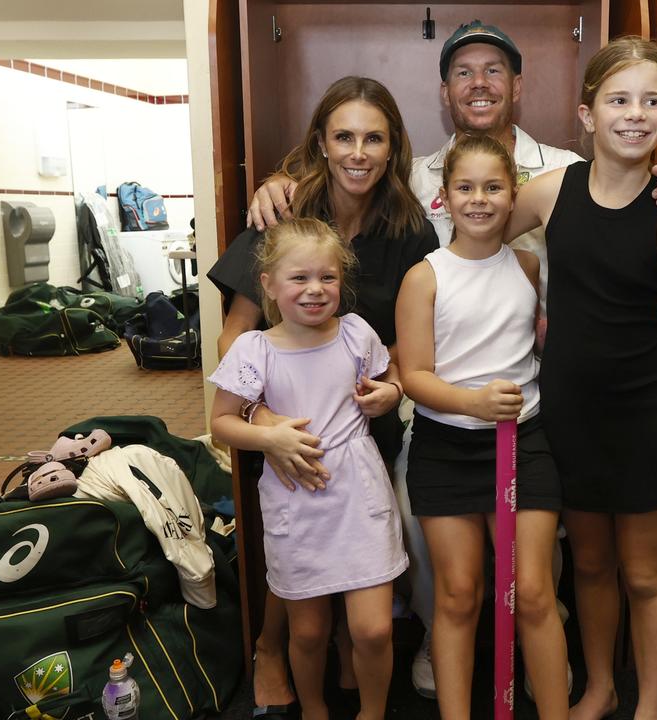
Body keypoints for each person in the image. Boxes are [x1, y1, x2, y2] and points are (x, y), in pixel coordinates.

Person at [245, 20, 657, 698]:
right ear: (445, 91)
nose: (479, 83)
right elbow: (350, 166)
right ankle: (443, 634)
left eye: (495, 69)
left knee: (574, 567)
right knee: (427, 523)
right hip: (436, 397)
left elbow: (621, 206)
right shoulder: (412, 176)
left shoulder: (555, 172)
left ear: (519, 86)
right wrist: (280, 180)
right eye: (464, 71)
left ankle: (553, 659)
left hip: (539, 401)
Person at [207, 76, 437, 716]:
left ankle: (346, 645)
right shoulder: (280, 216)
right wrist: (262, 416)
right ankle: (272, 647)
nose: (358, 152)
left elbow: (410, 349)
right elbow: (233, 335)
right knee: (297, 553)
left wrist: (390, 391)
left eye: (374, 138)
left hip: (365, 427)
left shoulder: (410, 232)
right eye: (343, 137)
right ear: (321, 143)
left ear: (393, 149)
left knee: (359, 575)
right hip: (277, 418)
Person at [505, 36, 657, 720]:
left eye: (651, 101)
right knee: (591, 565)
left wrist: (629, 347)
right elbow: (475, 243)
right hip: (567, 409)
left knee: (647, 573)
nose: (635, 113)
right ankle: (599, 686)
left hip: (642, 414)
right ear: (587, 114)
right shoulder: (547, 193)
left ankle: (649, 706)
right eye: (619, 99)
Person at [394, 135, 567, 719]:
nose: (480, 199)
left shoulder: (527, 263)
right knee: (459, 594)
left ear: (513, 194)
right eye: (465, 187)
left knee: (535, 593)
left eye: (493, 187)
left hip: (524, 443)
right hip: (446, 448)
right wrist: (472, 404)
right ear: (443, 199)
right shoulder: (425, 276)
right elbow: (414, 375)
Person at [210, 217, 408, 720]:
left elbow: (389, 378)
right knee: (309, 630)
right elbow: (222, 424)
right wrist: (268, 435)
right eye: (299, 278)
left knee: (373, 629)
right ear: (269, 285)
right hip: (295, 502)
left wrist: (391, 392)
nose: (315, 290)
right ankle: (315, 709)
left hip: (359, 496)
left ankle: (373, 711)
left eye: (328, 277)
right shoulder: (255, 349)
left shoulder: (357, 334)